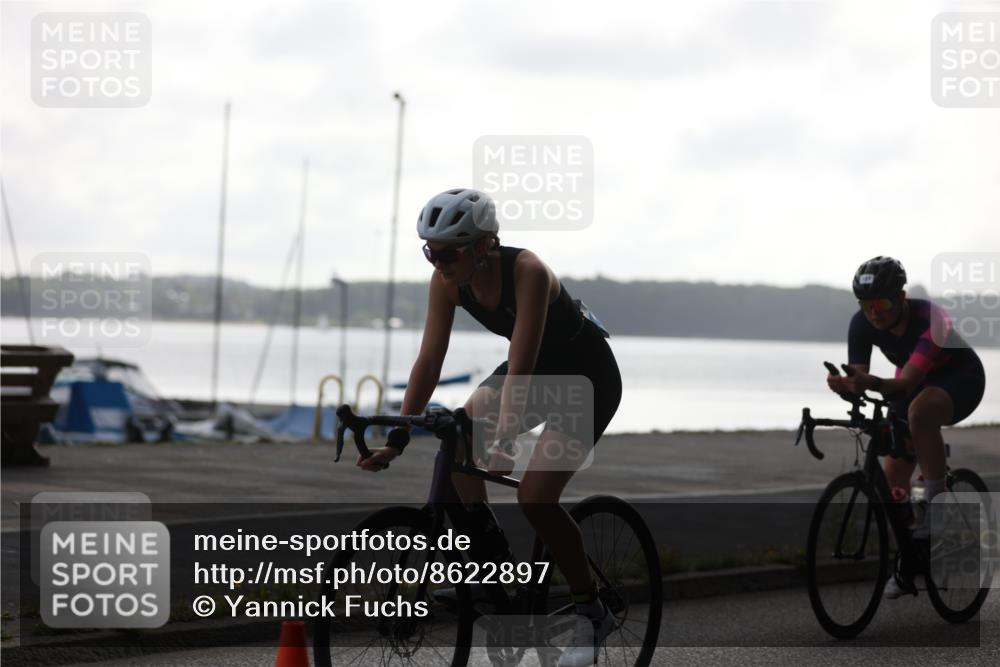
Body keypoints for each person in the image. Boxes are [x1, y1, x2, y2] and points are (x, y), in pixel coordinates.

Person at [356, 188, 622, 665]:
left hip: (586, 379)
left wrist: (506, 436)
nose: (438, 262)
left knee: (536, 497)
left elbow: (521, 364)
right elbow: (428, 361)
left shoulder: (528, 272)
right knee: (458, 435)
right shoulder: (446, 282)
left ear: (485, 245)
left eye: (449, 251)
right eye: (429, 251)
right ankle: (493, 578)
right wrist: (396, 438)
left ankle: (592, 610)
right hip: (535, 372)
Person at [827, 256, 986, 598]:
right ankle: (912, 556)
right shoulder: (861, 324)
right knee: (892, 482)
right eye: (866, 304)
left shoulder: (932, 320)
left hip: (961, 378)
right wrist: (847, 385)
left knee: (919, 413)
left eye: (882, 303)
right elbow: (862, 378)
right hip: (911, 385)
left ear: (900, 297)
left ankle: (938, 507)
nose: (874, 312)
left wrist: (868, 382)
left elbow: (905, 383)